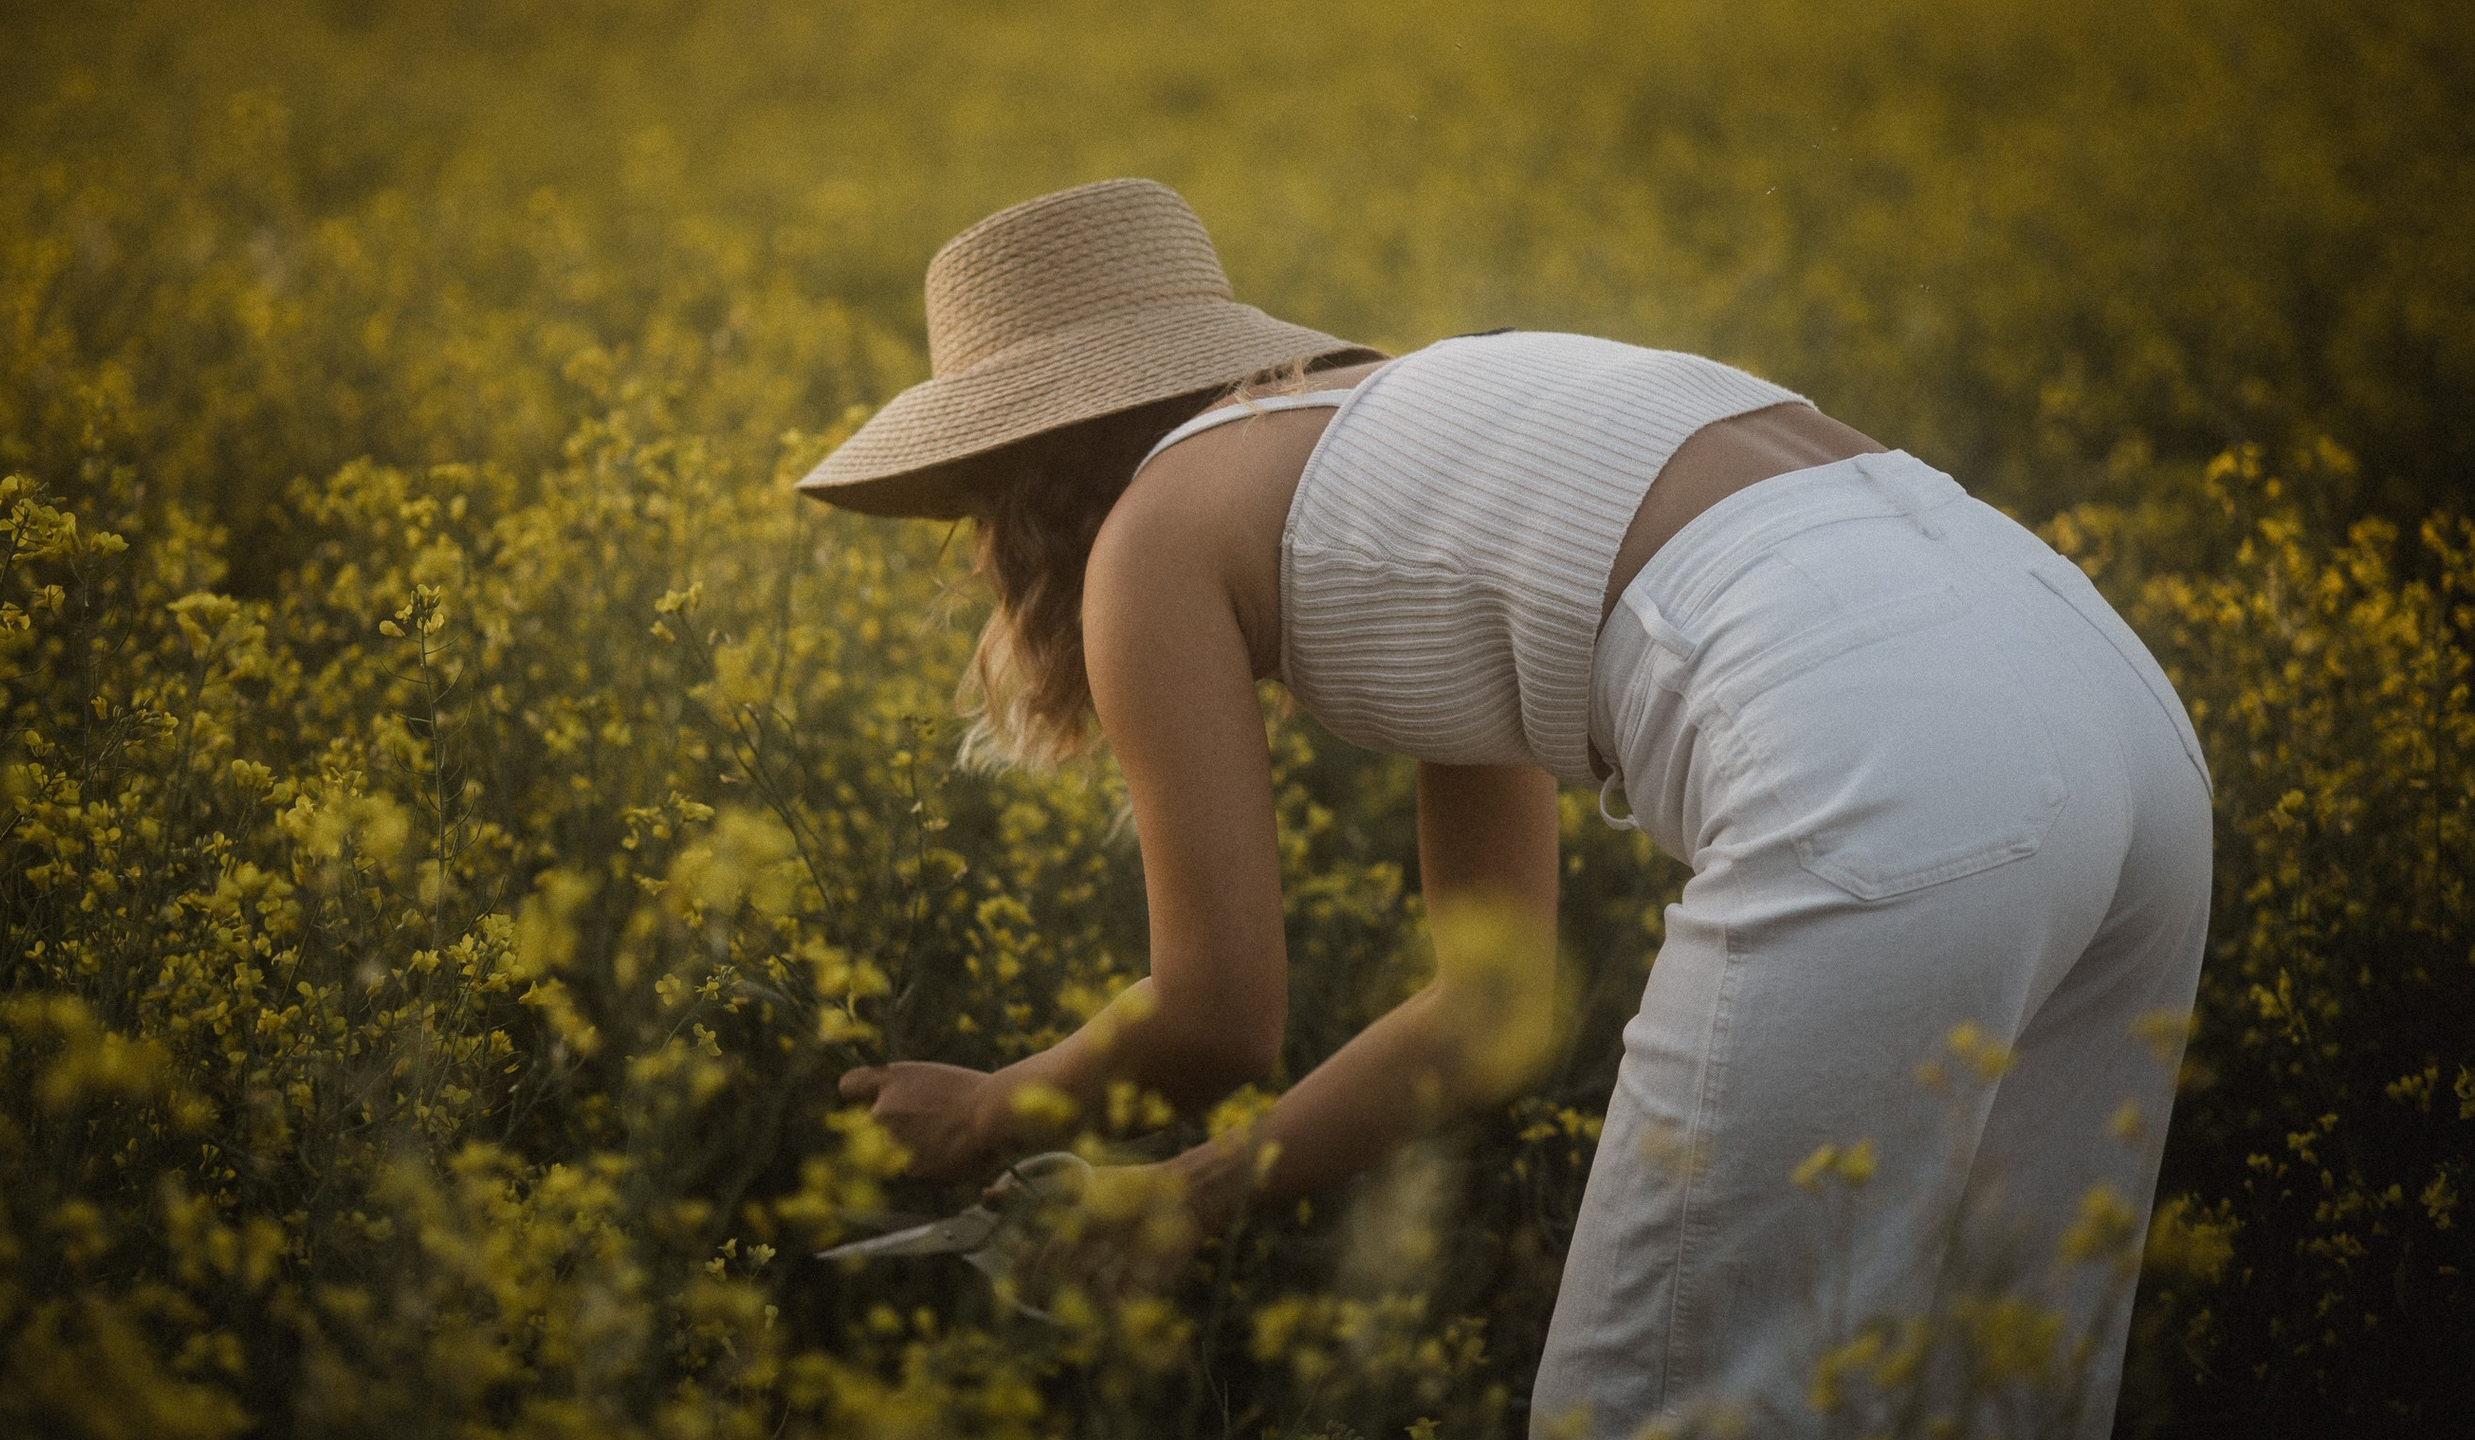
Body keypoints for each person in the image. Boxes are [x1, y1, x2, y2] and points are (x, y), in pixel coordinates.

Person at [800, 178, 2210, 1436]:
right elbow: (1491, 1004)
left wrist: (991, 1107)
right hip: (2108, 697)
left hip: (1880, 745)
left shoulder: (1153, 536)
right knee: (1997, 1387)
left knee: (1656, 1407)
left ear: (1009, 483)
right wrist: (1190, 1198)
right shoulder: (1414, 435)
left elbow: (1217, 1017)